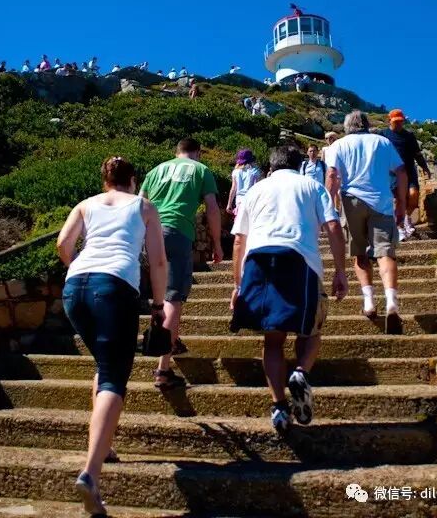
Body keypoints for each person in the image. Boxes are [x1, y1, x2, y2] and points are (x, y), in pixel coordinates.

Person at [57, 157, 167, 516]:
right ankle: (90, 473)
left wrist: (78, 264)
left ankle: (103, 445)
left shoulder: (85, 205)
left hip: (75, 288)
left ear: (105, 179)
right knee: (114, 378)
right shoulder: (143, 206)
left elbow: (63, 244)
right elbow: (159, 261)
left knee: (104, 365)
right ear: (132, 179)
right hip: (115, 287)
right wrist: (159, 304)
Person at [230, 145, 348, 433]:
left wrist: (238, 284)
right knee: (311, 331)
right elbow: (333, 227)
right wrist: (340, 271)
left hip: (258, 260)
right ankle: (300, 371)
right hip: (300, 259)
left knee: (272, 339)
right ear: (298, 165)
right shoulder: (311, 186)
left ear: (271, 166)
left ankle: (279, 406)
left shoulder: (255, 190)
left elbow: (238, 240)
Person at [140, 138, 223, 387]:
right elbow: (212, 208)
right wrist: (217, 243)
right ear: (197, 153)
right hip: (178, 232)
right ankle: (163, 369)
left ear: (177, 152)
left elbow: (137, 205)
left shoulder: (155, 171)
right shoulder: (201, 170)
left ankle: (171, 340)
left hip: (149, 234)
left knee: (159, 295)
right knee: (173, 298)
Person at [325, 111, 407, 333]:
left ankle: (369, 302)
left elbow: (332, 175)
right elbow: (401, 171)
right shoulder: (382, 142)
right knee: (385, 252)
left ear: (347, 126)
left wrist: (328, 205)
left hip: (351, 201)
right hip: (381, 202)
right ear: (367, 124)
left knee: (359, 253)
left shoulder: (338, 145)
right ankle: (391, 302)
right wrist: (401, 203)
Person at [381, 109, 431, 240]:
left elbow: (417, 154)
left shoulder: (409, 136)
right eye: (396, 121)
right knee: (397, 199)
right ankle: (399, 227)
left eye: (400, 121)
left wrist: (424, 167)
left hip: (409, 170)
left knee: (413, 194)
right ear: (389, 121)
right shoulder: (383, 135)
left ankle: (407, 217)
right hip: (392, 173)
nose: (399, 124)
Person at [226, 149, 262, 215]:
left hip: (239, 201)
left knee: (239, 219)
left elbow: (233, 189)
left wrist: (229, 204)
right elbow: (256, 189)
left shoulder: (235, 172)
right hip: (251, 200)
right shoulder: (255, 172)